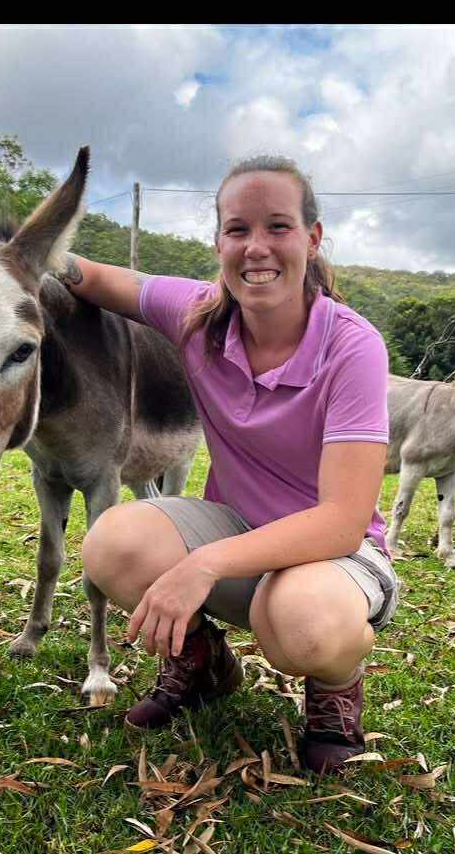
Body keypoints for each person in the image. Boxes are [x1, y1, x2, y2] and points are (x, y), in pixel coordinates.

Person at [63, 156, 398, 774]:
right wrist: (20, 252)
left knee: (303, 624)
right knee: (111, 542)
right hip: (236, 528)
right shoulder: (197, 315)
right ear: (218, 241)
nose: (256, 248)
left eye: (278, 226)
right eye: (237, 229)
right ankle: (203, 665)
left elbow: (342, 522)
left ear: (312, 238)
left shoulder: (353, 347)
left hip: (333, 561)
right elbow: (99, 279)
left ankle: (334, 693)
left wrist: (204, 563)